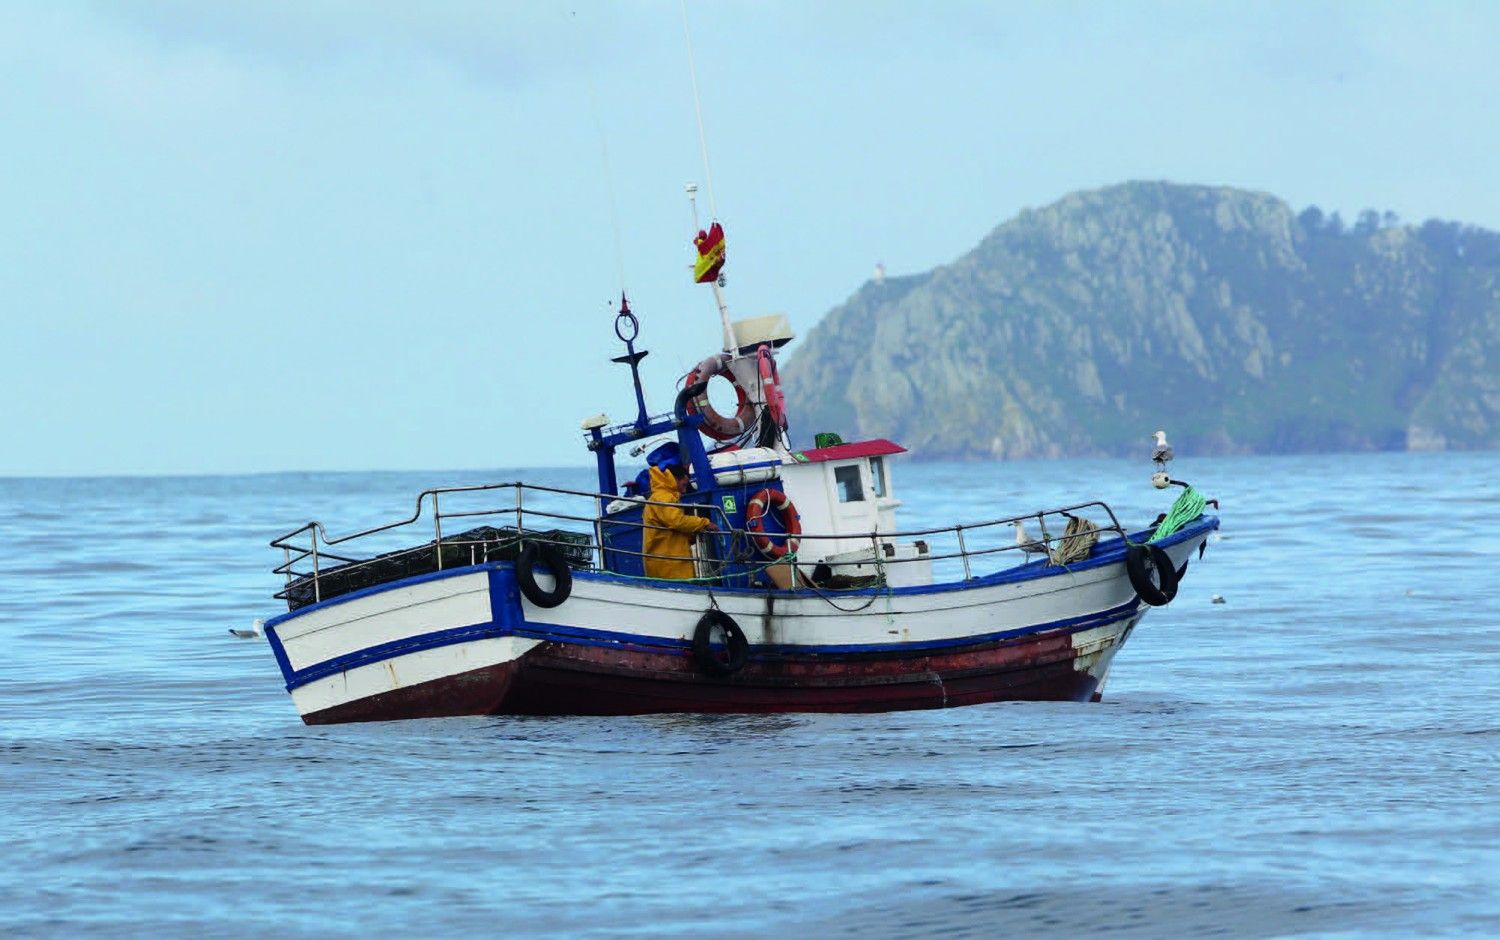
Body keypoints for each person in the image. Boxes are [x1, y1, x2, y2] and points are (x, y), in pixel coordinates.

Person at [642, 459, 715, 580]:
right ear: (674, 479)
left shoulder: (660, 497)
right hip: (669, 567)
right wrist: (704, 523)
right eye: (684, 485)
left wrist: (691, 536)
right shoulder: (663, 497)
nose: (684, 490)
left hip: (668, 564)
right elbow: (677, 521)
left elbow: (668, 531)